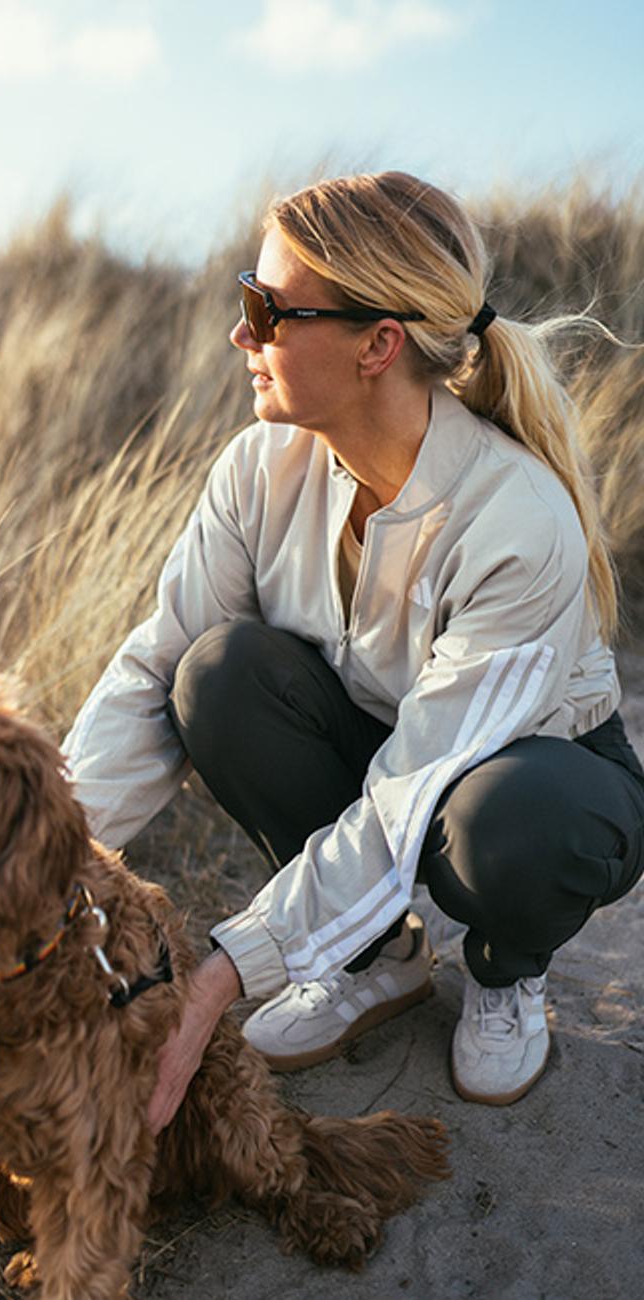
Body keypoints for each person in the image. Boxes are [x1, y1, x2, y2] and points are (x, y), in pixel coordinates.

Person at [62, 171, 644, 1128]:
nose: (240, 334)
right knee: (214, 675)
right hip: (380, 736)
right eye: (245, 296)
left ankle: (507, 972)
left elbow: (410, 790)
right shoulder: (259, 467)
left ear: (378, 344)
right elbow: (156, 667)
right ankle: (376, 958)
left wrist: (218, 980)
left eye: (268, 309)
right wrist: (44, 860)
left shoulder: (518, 519)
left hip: (539, 776)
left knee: (506, 826)